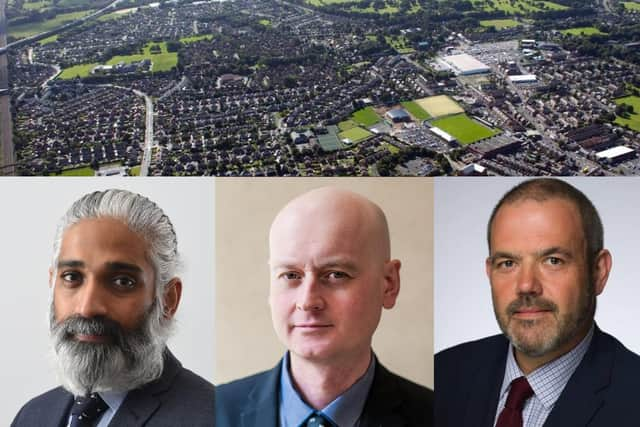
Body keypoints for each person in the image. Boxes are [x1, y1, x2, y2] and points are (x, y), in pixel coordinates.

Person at [216, 187, 433, 427]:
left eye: (336, 274)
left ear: (389, 284)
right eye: (290, 275)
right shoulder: (210, 413)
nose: (308, 301)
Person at [435, 178, 640, 427]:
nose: (526, 286)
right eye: (508, 263)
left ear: (598, 272)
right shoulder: (443, 373)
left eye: (553, 260)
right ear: (490, 273)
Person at [12, 189, 215, 427]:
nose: (87, 307)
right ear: (52, 284)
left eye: (122, 281)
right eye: (71, 277)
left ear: (168, 299)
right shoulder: (33, 415)